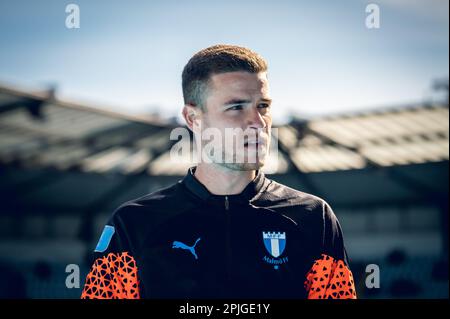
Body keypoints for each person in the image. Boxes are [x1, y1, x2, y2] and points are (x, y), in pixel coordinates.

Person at [81, 44, 357, 299]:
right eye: (236, 107)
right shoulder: (133, 223)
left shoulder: (313, 217)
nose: (258, 122)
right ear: (193, 118)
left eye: (263, 106)